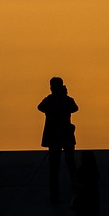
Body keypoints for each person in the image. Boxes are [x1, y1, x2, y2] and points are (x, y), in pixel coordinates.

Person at [37, 76, 78, 204]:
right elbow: (74, 108)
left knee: (55, 167)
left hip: (55, 136)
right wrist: (64, 95)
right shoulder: (65, 100)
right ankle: (74, 185)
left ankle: (55, 194)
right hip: (64, 134)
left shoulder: (50, 100)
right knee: (69, 161)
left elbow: (41, 107)